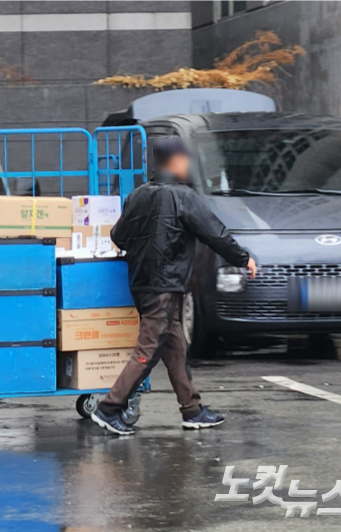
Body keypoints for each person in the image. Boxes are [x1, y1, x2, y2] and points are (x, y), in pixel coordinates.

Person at [91, 137, 257, 435]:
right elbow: (214, 233)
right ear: (176, 162)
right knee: (149, 348)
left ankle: (191, 409)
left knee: (175, 345)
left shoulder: (137, 196)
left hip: (142, 283)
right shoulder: (183, 196)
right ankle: (109, 407)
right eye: (186, 159)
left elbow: (118, 236)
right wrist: (243, 258)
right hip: (165, 285)